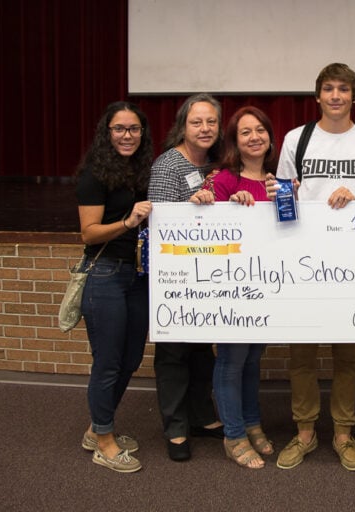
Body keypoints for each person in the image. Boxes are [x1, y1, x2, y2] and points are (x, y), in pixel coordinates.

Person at [271, 63, 355, 472]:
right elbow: (283, 196)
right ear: (318, 95)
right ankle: (304, 432)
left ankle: (343, 433)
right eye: (329, 88)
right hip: (303, 261)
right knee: (301, 354)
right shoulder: (297, 138)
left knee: (346, 356)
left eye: (344, 89)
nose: (336, 95)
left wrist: (354, 197)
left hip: (352, 261)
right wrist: (292, 196)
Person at [76, 101, 153, 473]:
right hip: (105, 273)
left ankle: (97, 427)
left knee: (131, 359)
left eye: (134, 129)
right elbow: (88, 233)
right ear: (107, 133)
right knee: (107, 362)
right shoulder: (94, 174)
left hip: (138, 276)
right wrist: (128, 220)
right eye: (120, 129)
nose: (127, 136)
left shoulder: (142, 170)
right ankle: (103, 440)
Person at [147, 93, 224, 462]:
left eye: (211, 122)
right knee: (175, 354)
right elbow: (162, 223)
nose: (205, 128)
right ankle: (176, 427)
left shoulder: (212, 162)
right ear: (183, 125)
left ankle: (201, 416)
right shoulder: (168, 165)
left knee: (201, 352)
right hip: (177, 277)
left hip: (206, 276)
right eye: (197, 122)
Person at [201, 106, 278, 469]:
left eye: (260, 130)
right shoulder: (225, 179)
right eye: (245, 132)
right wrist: (222, 204)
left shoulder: (276, 181)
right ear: (234, 140)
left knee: (252, 360)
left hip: (264, 288)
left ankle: (251, 422)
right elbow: (198, 215)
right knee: (231, 362)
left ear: (270, 136)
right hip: (230, 289)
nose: (254, 137)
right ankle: (233, 435)